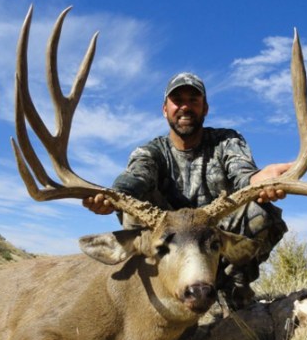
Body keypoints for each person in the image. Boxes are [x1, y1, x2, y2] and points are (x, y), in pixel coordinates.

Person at [83, 72, 290, 310]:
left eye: (194, 100)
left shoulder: (226, 141)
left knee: (260, 212)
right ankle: (153, 300)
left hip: (213, 247)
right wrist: (112, 197)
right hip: (168, 254)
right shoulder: (152, 152)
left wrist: (257, 180)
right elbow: (134, 179)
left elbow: (243, 173)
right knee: (131, 211)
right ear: (165, 109)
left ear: (205, 109)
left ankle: (232, 290)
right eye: (177, 100)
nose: (185, 107)